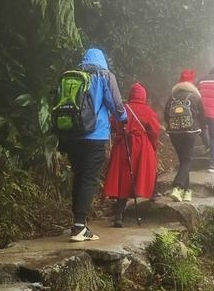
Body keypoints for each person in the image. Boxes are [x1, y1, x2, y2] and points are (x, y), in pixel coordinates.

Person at [58, 47, 127, 242]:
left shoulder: (73, 76)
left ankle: (77, 222)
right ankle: (80, 227)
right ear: (102, 60)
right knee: (89, 179)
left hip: (72, 136)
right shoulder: (105, 75)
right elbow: (116, 105)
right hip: (95, 136)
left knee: (79, 176)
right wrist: (124, 118)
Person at [103, 83, 161, 227]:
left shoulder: (122, 108)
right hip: (141, 147)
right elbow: (155, 131)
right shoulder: (148, 111)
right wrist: (153, 146)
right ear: (144, 96)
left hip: (122, 146)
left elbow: (113, 125)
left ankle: (119, 215)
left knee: (123, 178)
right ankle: (153, 193)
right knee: (145, 171)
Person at [164, 69, 205, 202]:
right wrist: (205, 139)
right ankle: (177, 186)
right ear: (192, 83)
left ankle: (187, 192)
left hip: (174, 132)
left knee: (183, 160)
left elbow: (166, 115)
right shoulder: (195, 96)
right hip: (190, 132)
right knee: (187, 161)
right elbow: (202, 118)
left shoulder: (172, 97)